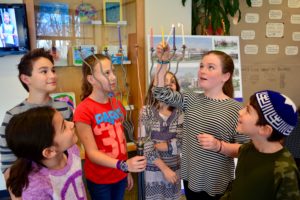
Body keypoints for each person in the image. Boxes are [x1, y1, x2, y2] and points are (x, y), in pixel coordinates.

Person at [153, 43, 249, 200]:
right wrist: (163, 61)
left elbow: (246, 150)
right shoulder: (190, 98)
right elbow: (160, 92)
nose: (202, 71)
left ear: (226, 76)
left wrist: (219, 146)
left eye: (211, 67)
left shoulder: (236, 109)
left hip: (218, 184)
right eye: (201, 66)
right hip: (191, 179)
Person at [73, 53, 146, 200]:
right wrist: (124, 166)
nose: (113, 77)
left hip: (119, 173)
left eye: (113, 71)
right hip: (100, 179)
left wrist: (126, 170)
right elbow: (92, 153)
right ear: (91, 79)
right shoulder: (84, 110)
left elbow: (122, 141)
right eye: (107, 73)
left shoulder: (117, 104)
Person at [0, 48, 73, 177]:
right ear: (26, 79)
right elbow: (8, 163)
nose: (52, 75)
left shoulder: (64, 108)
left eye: (53, 70)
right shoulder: (13, 116)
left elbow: (70, 150)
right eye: (44, 71)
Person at [220, 90, 300, 200]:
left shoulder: (284, 170)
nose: (240, 112)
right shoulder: (247, 149)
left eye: (248, 110)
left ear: (265, 129)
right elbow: (237, 187)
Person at [5, 106, 87, 199]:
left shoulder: (73, 150)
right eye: (64, 127)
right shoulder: (36, 187)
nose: (72, 124)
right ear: (49, 152)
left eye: (64, 120)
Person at [141, 71, 184, 200]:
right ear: (154, 87)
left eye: (172, 82)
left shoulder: (181, 112)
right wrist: (164, 169)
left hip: (174, 169)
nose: (169, 84)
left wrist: (165, 146)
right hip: (152, 171)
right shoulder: (146, 111)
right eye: (164, 81)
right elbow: (146, 145)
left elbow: (183, 142)